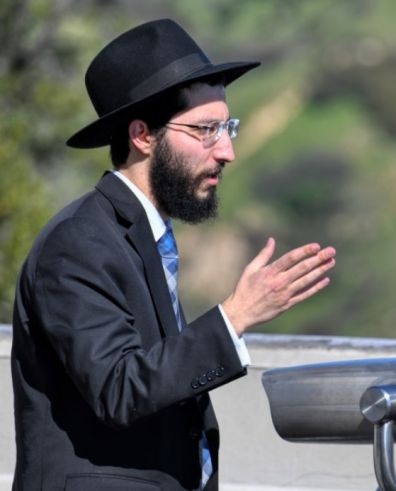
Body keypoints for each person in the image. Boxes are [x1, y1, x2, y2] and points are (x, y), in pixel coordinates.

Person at [11, 19, 336, 490]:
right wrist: (234, 316)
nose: (226, 150)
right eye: (206, 129)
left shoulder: (140, 236)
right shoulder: (78, 243)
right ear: (143, 136)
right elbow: (119, 389)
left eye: (228, 128)